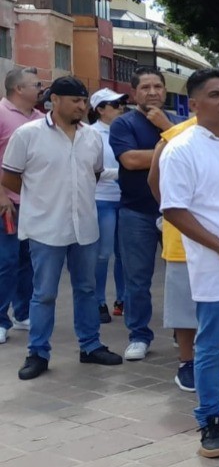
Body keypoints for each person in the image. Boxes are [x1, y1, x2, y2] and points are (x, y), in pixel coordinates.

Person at [159, 69, 219, 458]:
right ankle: (210, 420)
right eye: (216, 95)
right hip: (215, 263)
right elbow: (174, 210)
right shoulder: (182, 150)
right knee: (212, 346)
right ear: (194, 105)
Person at [1, 77, 125, 379]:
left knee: (86, 288)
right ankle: (38, 353)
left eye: (84, 101)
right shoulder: (28, 135)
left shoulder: (91, 137)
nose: (82, 107)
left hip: (84, 225)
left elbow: (92, 174)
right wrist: (40, 197)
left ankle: (91, 346)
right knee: (43, 293)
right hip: (46, 227)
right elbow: (10, 177)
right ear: (55, 100)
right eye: (75, 101)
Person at [109, 66, 184, 359]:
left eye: (158, 87)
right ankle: (139, 335)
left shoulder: (177, 121)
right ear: (134, 92)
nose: (152, 92)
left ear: (165, 90)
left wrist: (168, 127)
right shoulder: (123, 124)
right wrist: (176, 147)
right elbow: (129, 160)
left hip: (177, 214)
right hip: (136, 212)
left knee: (181, 276)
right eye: (146, 87)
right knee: (137, 279)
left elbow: (195, 157)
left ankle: (184, 332)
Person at [0, 67, 42, 343]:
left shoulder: (40, 118)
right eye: (35, 84)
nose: (40, 88)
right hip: (8, 204)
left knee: (29, 261)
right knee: (7, 261)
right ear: (19, 89)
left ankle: (23, 313)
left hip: (35, 204)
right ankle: (1, 319)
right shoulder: (1, 114)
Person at [89, 88, 128, 324]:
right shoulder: (91, 134)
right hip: (102, 199)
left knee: (124, 254)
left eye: (120, 103)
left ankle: (122, 299)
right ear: (100, 110)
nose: (120, 108)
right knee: (103, 254)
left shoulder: (125, 130)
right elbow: (94, 171)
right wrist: (125, 171)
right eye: (114, 105)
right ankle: (98, 301)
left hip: (125, 198)